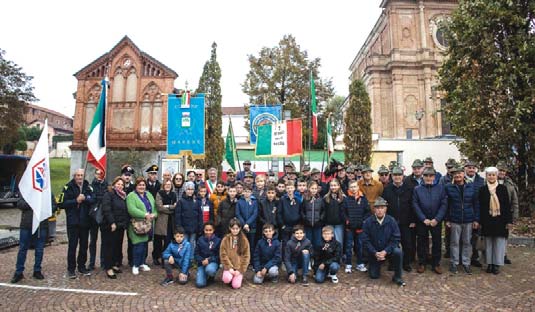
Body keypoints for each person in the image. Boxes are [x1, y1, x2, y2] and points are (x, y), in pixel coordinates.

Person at [11, 195, 57, 283]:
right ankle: (19, 272)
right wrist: (32, 204)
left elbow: (54, 206)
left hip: (41, 224)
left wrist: (44, 209)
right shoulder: (27, 190)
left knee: (39, 249)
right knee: (23, 248)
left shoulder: (46, 190)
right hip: (26, 224)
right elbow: (20, 204)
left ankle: (37, 270)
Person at [361, 197, 406, 286]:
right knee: (374, 275)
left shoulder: (392, 221)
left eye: (382, 208)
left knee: (398, 252)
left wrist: (385, 251)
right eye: (377, 208)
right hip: (375, 251)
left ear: (385, 209)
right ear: (374, 209)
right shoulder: (368, 222)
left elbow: (396, 239)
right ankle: (374, 264)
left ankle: (398, 276)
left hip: (388, 250)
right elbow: (365, 241)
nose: (380, 210)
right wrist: (375, 252)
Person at [59, 169, 95, 279]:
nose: (80, 177)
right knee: (72, 246)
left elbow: (93, 198)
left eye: (81, 175)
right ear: (74, 176)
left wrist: (85, 199)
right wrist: (76, 201)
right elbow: (61, 203)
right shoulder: (67, 187)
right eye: (78, 175)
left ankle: (82, 266)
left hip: (85, 222)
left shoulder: (88, 186)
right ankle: (71, 269)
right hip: (73, 222)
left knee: (84, 246)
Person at [445, 166, 480, 274]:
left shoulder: (471, 186)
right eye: (455, 174)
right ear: (453, 176)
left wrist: (476, 219)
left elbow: (476, 204)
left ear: (463, 174)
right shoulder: (448, 187)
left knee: (467, 242)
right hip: (455, 219)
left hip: (468, 219)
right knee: (454, 242)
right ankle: (454, 263)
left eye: (459, 173)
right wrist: (447, 219)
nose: (457, 176)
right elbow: (446, 204)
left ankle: (466, 263)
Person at [413, 168, 447, 274]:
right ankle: (422, 263)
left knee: (437, 242)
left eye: (431, 176)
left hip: (435, 220)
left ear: (434, 177)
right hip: (423, 220)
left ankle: (436, 263)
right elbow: (415, 204)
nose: (428, 178)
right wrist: (423, 218)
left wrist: (437, 219)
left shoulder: (440, 188)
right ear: (423, 176)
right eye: (426, 176)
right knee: (422, 242)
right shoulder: (417, 189)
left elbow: (444, 204)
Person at [382, 167, 416, 272]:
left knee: (407, 244)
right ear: (392, 176)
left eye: (399, 175)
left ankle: (406, 263)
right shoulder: (387, 189)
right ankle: (393, 263)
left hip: (406, 221)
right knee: (392, 243)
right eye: (395, 175)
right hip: (391, 221)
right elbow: (384, 206)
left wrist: (413, 220)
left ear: (403, 176)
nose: (397, 177)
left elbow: (413, 205)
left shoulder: (409, 188)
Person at [479, 167, 512, 275]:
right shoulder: (483, 189)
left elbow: (507, 205)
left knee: (499, 242)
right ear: (486, 176)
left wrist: (509, 221)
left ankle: (496, 264)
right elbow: (480, 206)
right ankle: (489, 263)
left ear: (496, 176)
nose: (491, 177)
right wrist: (480, 221)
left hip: (500, 220)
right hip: (487, 220)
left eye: (493, 175)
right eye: (489, 175)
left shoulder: (502, 188)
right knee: (488, 243)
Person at [126, 177, 157, 275]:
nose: (141, 187)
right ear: (136, 186)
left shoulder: (149, 195)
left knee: (144, 245)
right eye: (139, 185)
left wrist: (154, 215)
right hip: (137, 225)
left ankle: (142, 263)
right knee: (137, 245)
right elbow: (131, 209)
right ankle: (135, 265)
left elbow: (155, 207)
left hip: (148, 225)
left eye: (143, 185)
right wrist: (145, 215)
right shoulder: (131, 196)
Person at [101, 177, 130, 279]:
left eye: (122, 184)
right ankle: (108, 268)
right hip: (110, 225)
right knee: (109, 247)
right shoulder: (109, 194)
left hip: (120, 225)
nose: (120, 186)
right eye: (118, 184)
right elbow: (107, 209)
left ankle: (113, 264)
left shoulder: (122, 195)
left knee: (117, 246)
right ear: (114, 184)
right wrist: (112, 222)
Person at [343, 180, 370, 273]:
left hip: (360, 226)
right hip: (349, 227)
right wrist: (347, 221)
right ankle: (348, 264)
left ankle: (360, 263)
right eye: (351, 187)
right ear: (349, 188)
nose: (353, 189)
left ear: (358, 187)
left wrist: (363, 221)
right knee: (349, 246)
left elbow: (367, 212)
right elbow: (343, 212)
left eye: (355, 187)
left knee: (359, 245)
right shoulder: (346, 199)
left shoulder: (363, 199)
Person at [464, 160, 485, 268]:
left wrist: (478, 218)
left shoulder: (481, 181)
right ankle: (463, 258)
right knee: (464, 238)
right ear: (465, 168)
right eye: (469, 167)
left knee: (475, 237)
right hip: (464, 214)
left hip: (477, 212)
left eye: (473, 167)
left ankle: (475, 258)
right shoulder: (460, 180)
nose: (471, 169)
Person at [497, 161, 519, 264]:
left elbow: (515, 202)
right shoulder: (490, 180)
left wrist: (514, 217)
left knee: (504, 236)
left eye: (503, 170)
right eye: (499, 170)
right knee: (493, 235)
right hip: (493, 212)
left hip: (506, 213)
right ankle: (494, 255)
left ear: (505, 172)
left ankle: (504, 254)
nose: (501, 172)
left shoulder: (510, 184)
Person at [175, 181, 203, 260]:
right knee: (184, 243)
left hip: (194, 227)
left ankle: (191, 259)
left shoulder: (197, 201)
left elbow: (200, 215)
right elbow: (178, 215)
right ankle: (183, 259)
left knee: (192, 243)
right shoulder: (181, 201)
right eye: (188, 189)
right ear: (185, 190)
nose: (190, 191)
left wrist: (200, 225)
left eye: (191, 189)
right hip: (184, 227)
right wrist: (179, 226)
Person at [220, 218, 251, 289]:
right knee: (226, 279)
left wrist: (240, 270)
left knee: (236, 286)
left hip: (238, 267)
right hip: (229, 267)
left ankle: (237, 277)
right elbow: (223, 254)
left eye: (237, 228)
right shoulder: (225, 239)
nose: (235, 230)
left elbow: (246, 256)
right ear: (230, 228)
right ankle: (230, 277)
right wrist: (229, 267)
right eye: (233, 228)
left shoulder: (244, 240)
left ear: (240, 228)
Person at [154, 179, 178, 266]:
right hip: (162, 220)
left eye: (169, 184)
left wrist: (167, 206)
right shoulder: (159, 194)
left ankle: (166, 260)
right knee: (159, 240)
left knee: (168, 240)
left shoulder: (173, 194)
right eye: (166, 184)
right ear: (163, 185)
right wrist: (171, 208)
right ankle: (156, 257)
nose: (168, 186)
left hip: (171, 221)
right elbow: (159, 207)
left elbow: (176, 207)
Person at [89, 168, 108, 271]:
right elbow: (90, 199)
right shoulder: (91, 186)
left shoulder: (107, 185)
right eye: (97, 174)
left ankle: (103, 262)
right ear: (95, 174)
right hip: (93, 215)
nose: (99, 175)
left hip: (104, 215)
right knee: (93, 240)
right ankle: (91, 262)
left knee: (104, 240)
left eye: (101, 174)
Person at [277, 180, 302, 254]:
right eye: (288, 188)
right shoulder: (282, 199)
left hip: (295, 226)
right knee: (285, 243)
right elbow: (279, 213)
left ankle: (293, 258)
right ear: (286, 189)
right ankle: (285, 259)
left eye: (291, 188)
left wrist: (298, 225)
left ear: (294, 188)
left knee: (295, 243)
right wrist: (282, 225)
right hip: (285, 226)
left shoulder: (298, 200)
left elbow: (300, 212)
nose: (289, 190)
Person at [195, 222, 221, 288]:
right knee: (200, 284)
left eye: (210, 230)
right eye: (206, 230)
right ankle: (204, 275)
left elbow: (219, 255)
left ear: (213, 230)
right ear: (204, 230)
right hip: (202, 263)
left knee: (210, 270)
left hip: (212, 262)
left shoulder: (218, 240)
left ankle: (211, 276)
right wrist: (202, 260)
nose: (208, 232)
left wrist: (209, 260)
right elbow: (196, 253)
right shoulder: (200, 240)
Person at [321, 179, 346, 246]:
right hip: (328, 223)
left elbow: (345, 210)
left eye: (335, 185)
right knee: (328, 242)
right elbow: (323, 210)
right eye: (331, 185)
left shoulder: (343, 198)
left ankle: (339, 256)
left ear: (338, 186)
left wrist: (344, 219)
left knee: (339, 241)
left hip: (339, 223)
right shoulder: (326, 198)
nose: (333, 187)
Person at [236, 185, 258, 256]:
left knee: (251, 245)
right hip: (242, 227)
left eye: (248, 191)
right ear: (242, 192)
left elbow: (255, 214)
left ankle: (250, 262)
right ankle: (243, 260)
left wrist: (248, 223)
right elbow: (238, 214)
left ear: (251, 192)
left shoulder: (254, 201)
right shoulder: (239, 202)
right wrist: (244, 224)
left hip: (252, 226)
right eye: (245, 191)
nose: (247, 193)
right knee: (242, 244)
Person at [301, 181, 323, 249]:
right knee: (308, 242)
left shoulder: (320, 199)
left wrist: (320, 219)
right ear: (309, 189)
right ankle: (309, 257)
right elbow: (302, 211)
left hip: (317, 224)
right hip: (308, 224)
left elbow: (323, 210)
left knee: (317, 242)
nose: (314, 190)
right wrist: (305, 219)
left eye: (315, 188)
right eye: (312, 188)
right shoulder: (305, 199)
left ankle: (317, 257)